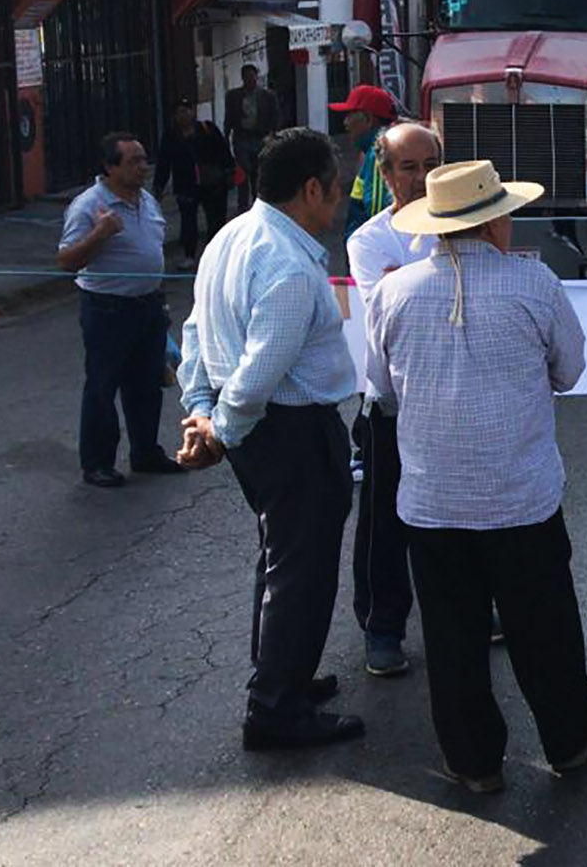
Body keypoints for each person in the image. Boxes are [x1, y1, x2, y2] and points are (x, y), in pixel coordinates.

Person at [365, 159, 587, 792]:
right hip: (519, 496)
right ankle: (570, 740)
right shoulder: (535, 285)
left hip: (432, 501)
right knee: (544, 627)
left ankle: (473, 762)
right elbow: (571, 371)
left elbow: (383, 392)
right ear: (497, 219)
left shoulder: (393, 292)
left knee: (452, 636)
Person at [175, 128, 363, 750]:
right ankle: (276, 708)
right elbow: (259, 369)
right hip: (289, 429)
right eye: (335, 191)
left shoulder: (232, 237)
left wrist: (202, 411)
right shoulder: (286, 263)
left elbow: (197, 333)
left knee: (280, 557)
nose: (337, 204)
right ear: (311, 189)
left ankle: (282, 678)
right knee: (301, 570)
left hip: (258, 430)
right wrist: (218, 431)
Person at [343, 123, 442, 679]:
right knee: (385, 522)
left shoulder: (465, 225)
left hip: (455, 399)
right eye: (409, 167)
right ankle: (382, 626)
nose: (422, 178)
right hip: (391, 404)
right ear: (385, 175)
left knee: (468, 515)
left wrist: (412, 282)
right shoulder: (369, 240)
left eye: (430, 164)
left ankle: (479, 606)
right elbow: (386, 310)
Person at [58, 132, 179, 488]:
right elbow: (66, 261)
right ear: (109, 167)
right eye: (133, 161)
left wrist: (161, 300)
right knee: (102, 385)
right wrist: (100, 233)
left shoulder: (147, 200)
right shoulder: (89, 206)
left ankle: (145, 452)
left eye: (144, 160)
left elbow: (151, 252)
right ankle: (96, 462)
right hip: (108, 309)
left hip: (148, 306)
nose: (143, 167)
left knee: (146, 384)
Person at [154, 100, 232, 270]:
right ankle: (189, 255)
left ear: (193, 112)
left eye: (186, 110)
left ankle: (215, 254)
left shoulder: (207, 129)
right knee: (188, 221)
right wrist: (159, 186)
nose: (183, 115)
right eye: (179, 112)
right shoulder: (171, 136)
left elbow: (223, 151)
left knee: (215, 220)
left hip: (212, 183)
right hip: (185, 184)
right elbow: (164, 162)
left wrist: (228, 172)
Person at [333, 84, 402, 238]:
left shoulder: (379, 152)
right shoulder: (379, 148)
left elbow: (377, 213)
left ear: (368, 119)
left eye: (349, 114)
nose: (345, 122)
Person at [223, 65, 279, 213]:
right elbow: (228, 118)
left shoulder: (267, 96)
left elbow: (275, 117)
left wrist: (273, 135)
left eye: (253, 76)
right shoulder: (233, 96)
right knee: (243, 171)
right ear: (243, 78)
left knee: (258, 172)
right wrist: (226, 136)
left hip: (260, 137)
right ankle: (243, 205)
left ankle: (258, 202)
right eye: (247, 77)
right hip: (242, 137)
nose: (251, 80)